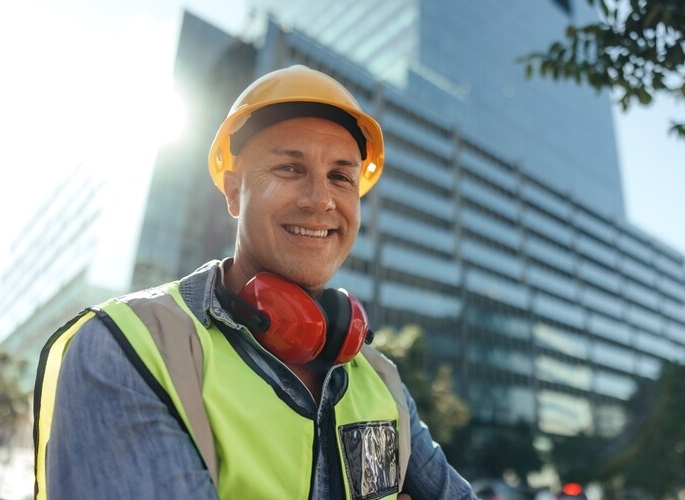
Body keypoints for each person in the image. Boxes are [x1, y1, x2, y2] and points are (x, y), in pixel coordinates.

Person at [33, 65, 476, 499]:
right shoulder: (125, 347)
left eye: (341, 177)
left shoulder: (380, 378)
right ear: (232, 191)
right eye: (289, 168)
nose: (321, 199)